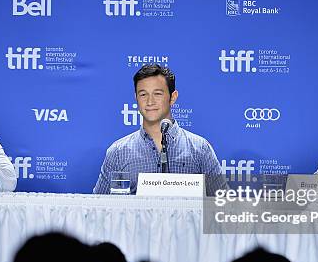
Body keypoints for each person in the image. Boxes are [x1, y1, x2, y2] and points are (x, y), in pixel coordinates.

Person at [93, 64, 226, 196]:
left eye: (157, 94)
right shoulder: (117, 152)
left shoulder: (200, 148)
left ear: (172, 97)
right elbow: (98, 209)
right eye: (143, 94)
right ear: (136, 98)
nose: (150, 102)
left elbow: (223, 204)